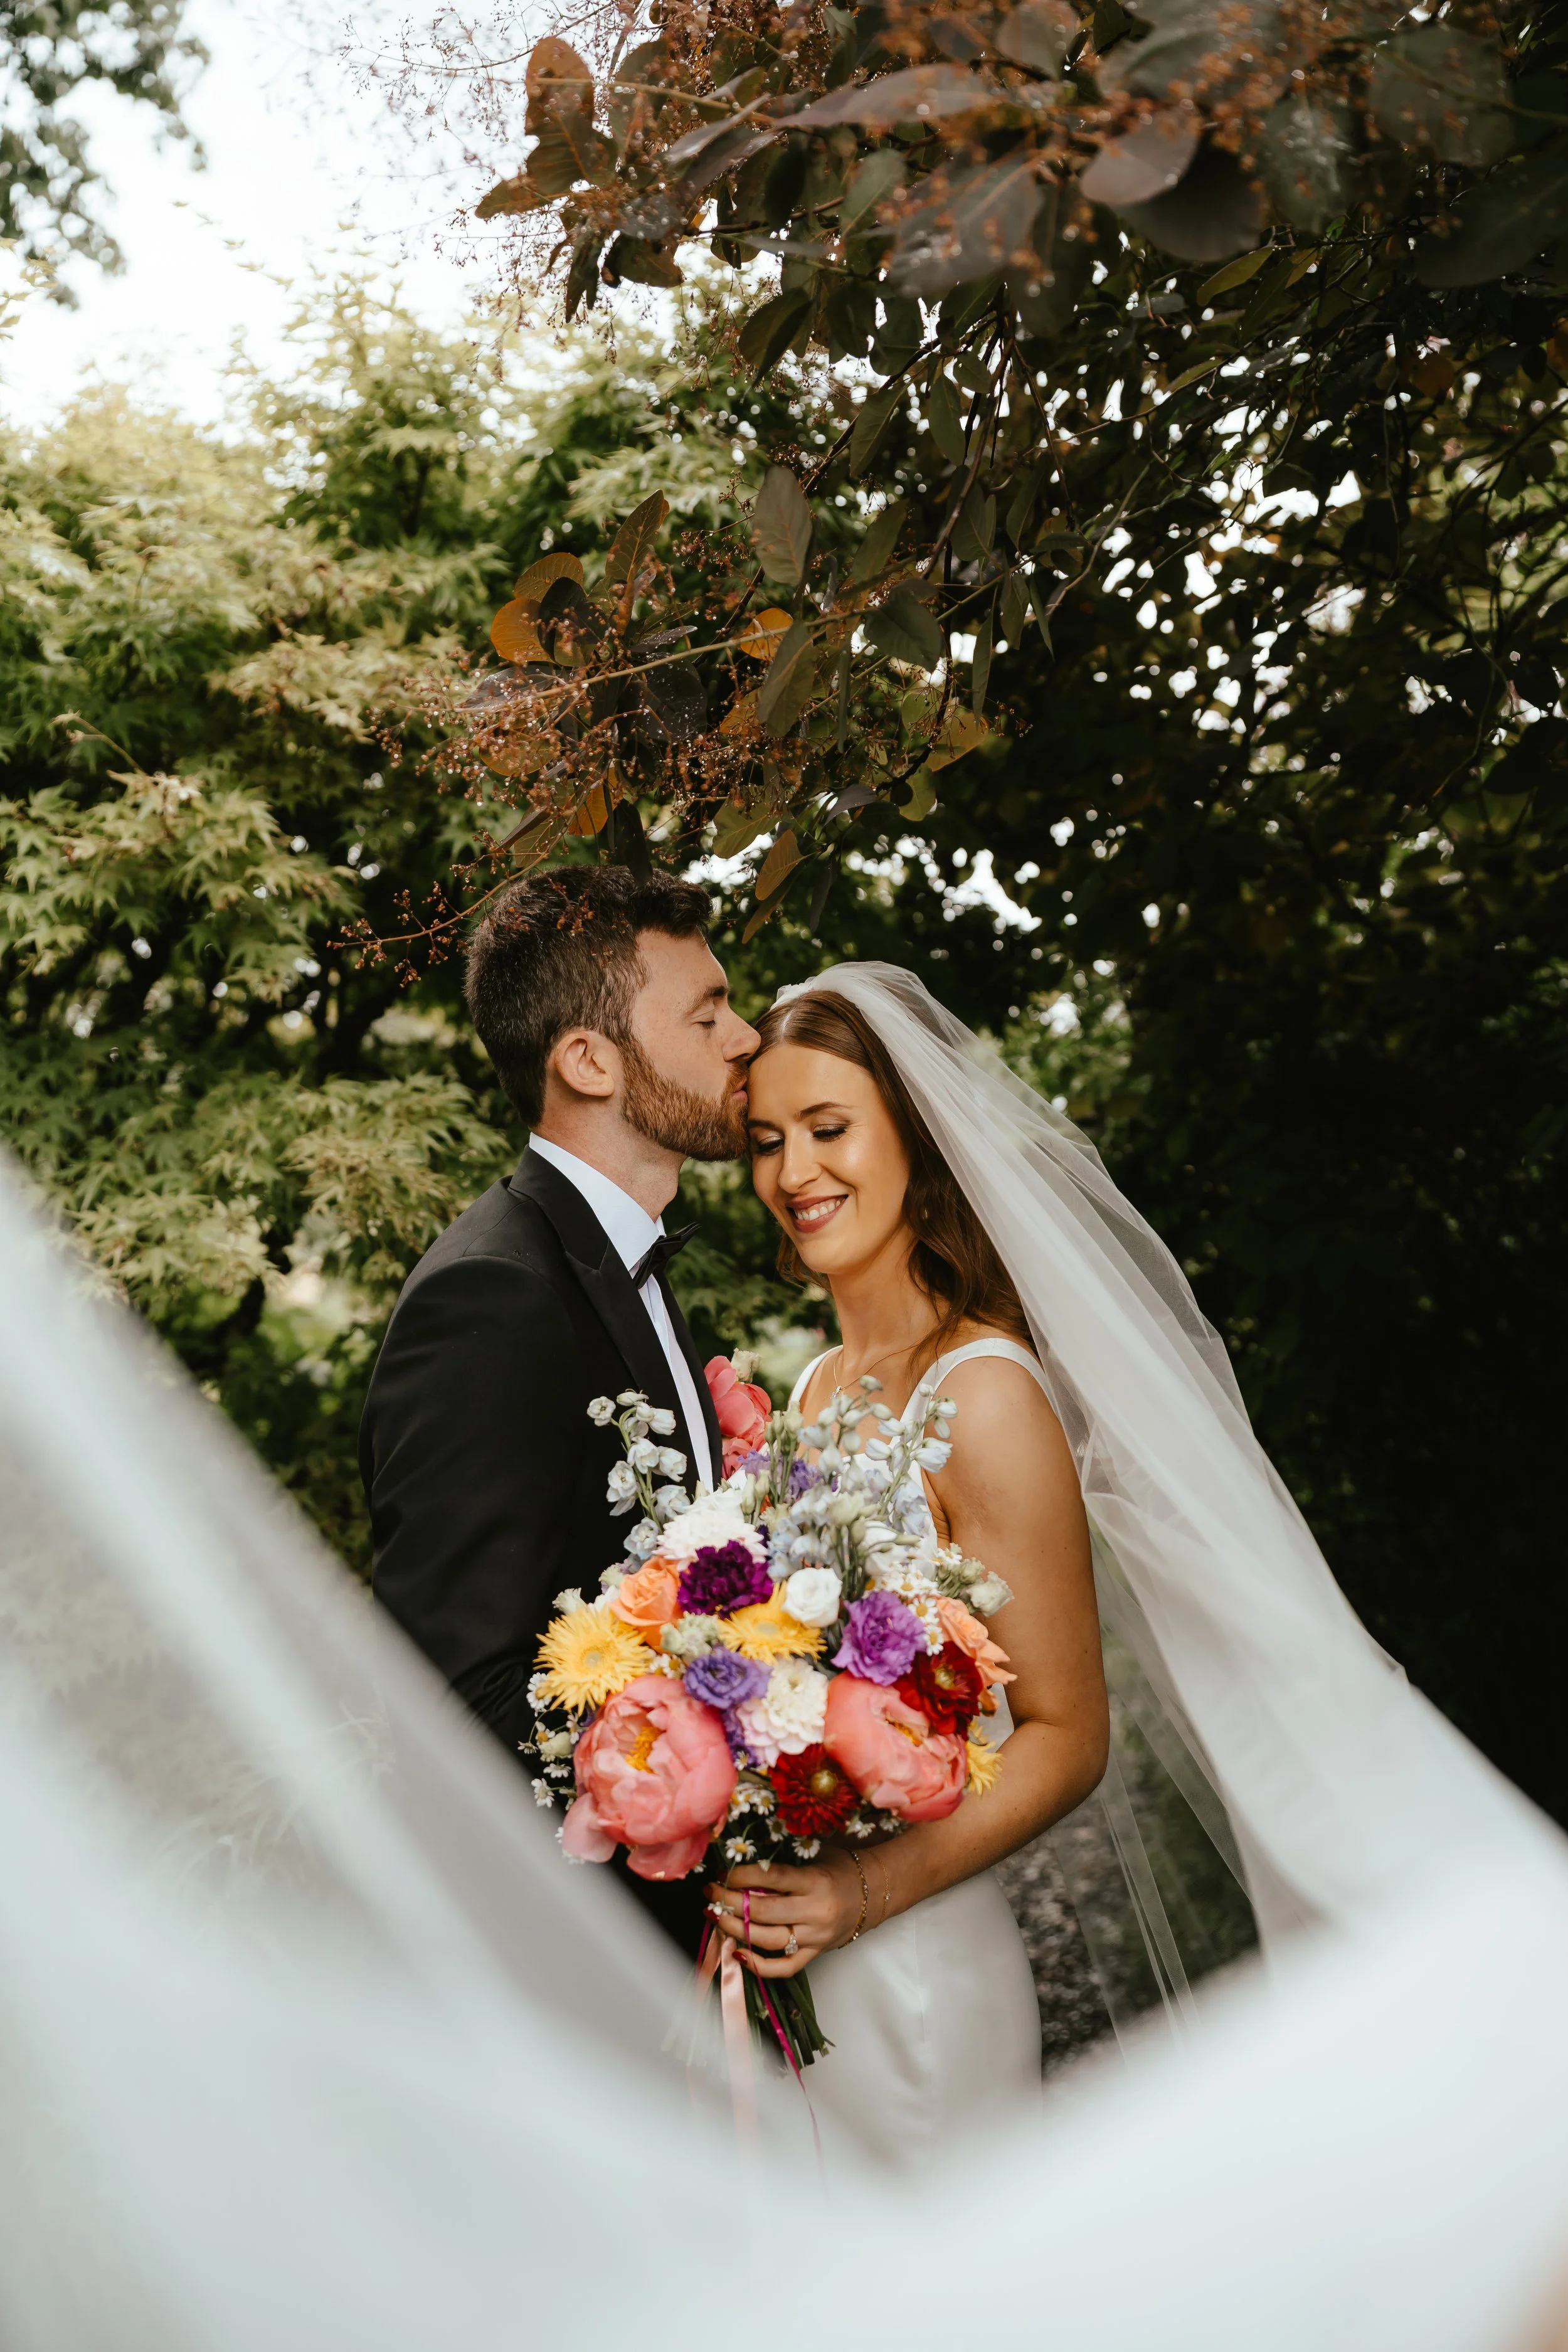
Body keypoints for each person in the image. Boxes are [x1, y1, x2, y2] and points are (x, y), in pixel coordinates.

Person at [704, 960, 1551, 2154]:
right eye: (766, 1139)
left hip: (916, 1970)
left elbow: (1068, 1735)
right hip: (800, 1968)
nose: (794, 1173)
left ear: (916, 1135)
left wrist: (859, 1891)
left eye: (829, 1127)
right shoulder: (812, 1386)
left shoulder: (987, 1394)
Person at [360, 863, 758, 1959]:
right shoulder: (490, 1293)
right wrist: (706, 1831)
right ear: (586, 1060)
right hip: (592, 1963)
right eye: (708, 1011)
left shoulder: (625, 1267)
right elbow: (460, 1701)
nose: (745, 1037)